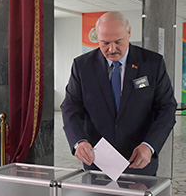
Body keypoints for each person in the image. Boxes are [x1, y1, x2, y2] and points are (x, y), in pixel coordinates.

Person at [61, 11, 176, 176]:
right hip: (97, 161)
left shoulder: (152, 63)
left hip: (139, 160)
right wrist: (79, 141)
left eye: (118, 42)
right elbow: (70, 107)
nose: (112, 49)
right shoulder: (82, 66)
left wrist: (149, 145)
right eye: (105, 43)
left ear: (129, 34)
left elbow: (167, 108)